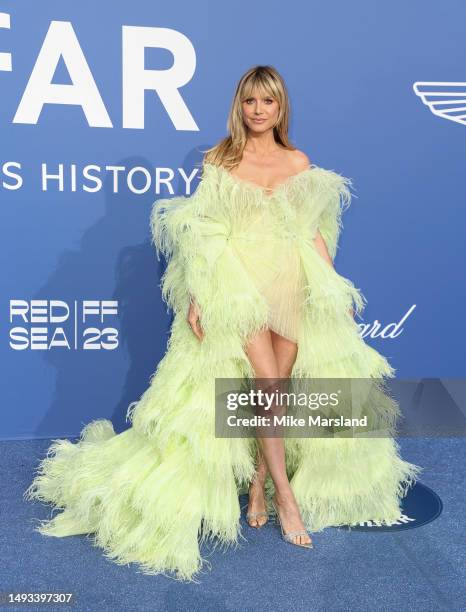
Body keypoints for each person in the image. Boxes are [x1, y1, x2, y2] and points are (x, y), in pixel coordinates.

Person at [24, 65, 422, 582]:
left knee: (276, 392)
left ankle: (257, 481)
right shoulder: (221, 159)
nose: (259, 111)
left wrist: (333, 287)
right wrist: (196, 294)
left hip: (290, 282)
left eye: (269, 103)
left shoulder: (299, 162)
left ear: (281, 109)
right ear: (240, 106)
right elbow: (204, 233)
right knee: (265, 387)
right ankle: (286, 497)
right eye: (251, 102)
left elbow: (312, 232)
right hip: (240, 287)